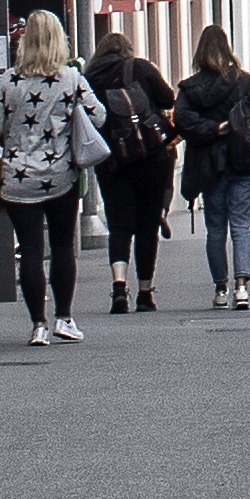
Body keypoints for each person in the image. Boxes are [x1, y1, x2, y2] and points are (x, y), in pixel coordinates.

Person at [0, 9, 110, 345]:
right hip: (61, 176)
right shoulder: (71, 79)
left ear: (24, 42)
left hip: (18, 179)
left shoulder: (9, 81)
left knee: (31, 249)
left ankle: (38, 324)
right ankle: (64, 318)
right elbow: (100, 117)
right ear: (59, 40)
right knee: (63, 247)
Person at [174, 26, 250, 311]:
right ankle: (241, 286)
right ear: (228, 49)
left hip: (209, 167)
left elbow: (181, 120)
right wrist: (243, 131)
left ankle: (220, 288)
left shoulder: (190, 88)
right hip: (244, 164)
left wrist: (213, 128)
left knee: (215, 229)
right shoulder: (245, 83)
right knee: (241, 226)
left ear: (199, 53)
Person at [87, 29, 182, 314]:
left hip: (111, 161)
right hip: (150, 158)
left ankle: (118, 286)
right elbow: (167, 99)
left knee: (119, 225)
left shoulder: (90, 78)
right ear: (126, 49)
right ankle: (144, 292)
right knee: (146, 226)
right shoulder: (140, 67)